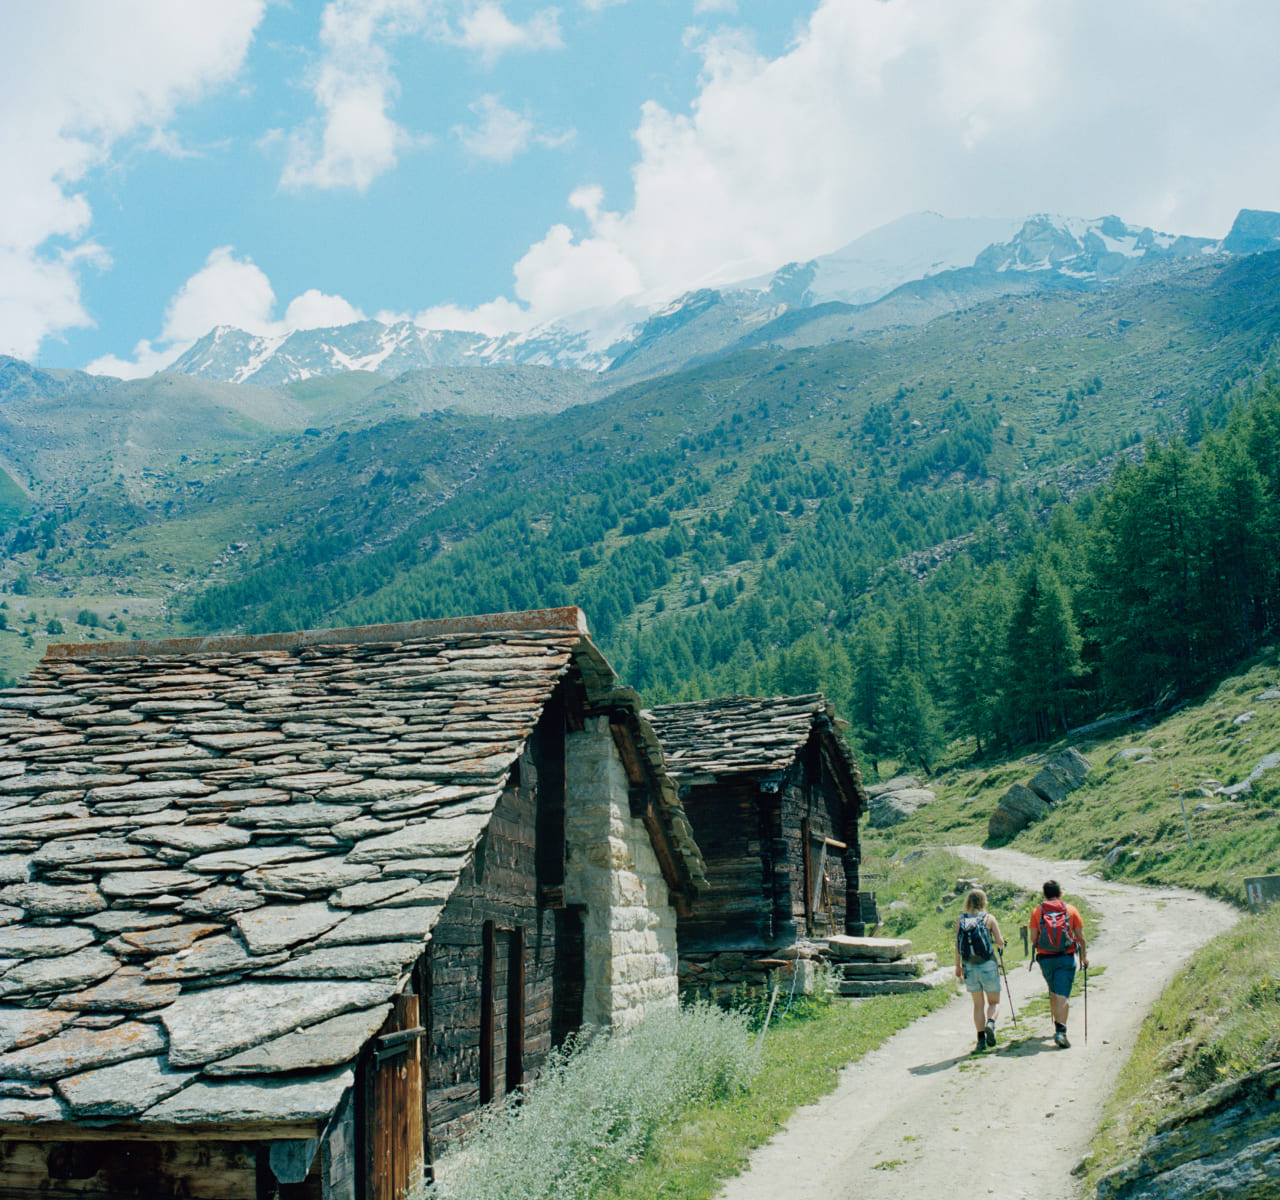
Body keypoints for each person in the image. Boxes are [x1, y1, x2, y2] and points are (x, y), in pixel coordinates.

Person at [1029, 879, 1088, 1048]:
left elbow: (1033, 938)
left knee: (1053, 991)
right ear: (1060, 894)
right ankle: (1061, 1031)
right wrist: (1084, 957)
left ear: (1044, 894)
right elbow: (1081, 938)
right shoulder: (1071, 910)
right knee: (1063, 994)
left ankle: (1057, 1026)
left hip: (1046, 959)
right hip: (1065, 957)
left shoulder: (1037, 911)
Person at [954, 888, 1006, 1052]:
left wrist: (958, 966)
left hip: (969, 966)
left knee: (978, 1005)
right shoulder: (988, 918)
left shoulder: (961, 920)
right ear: (984, 902)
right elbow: (999, 941)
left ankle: (981, 1039)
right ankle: (991, 1023)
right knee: (994, 1002)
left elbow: (957, 945)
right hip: (988, 965)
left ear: (967, 903)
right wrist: (1001, 945)